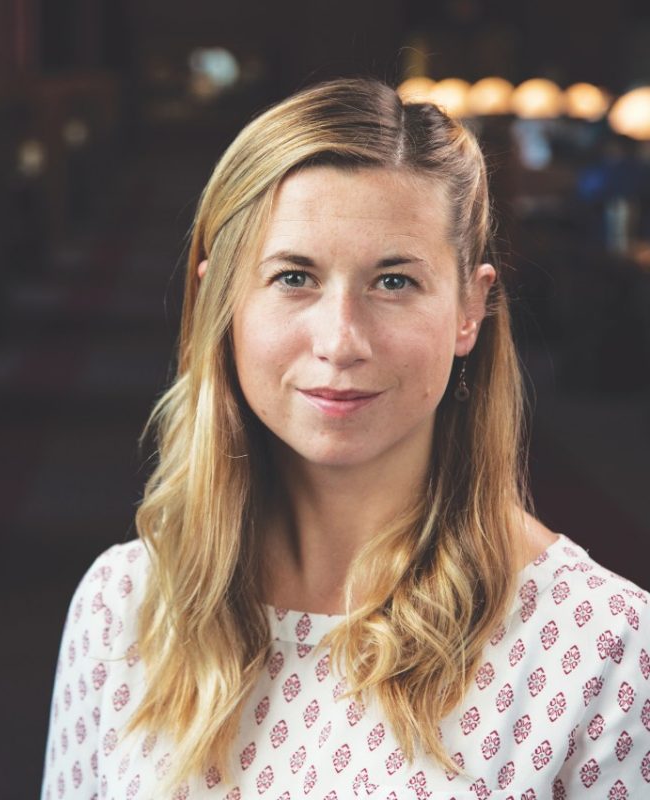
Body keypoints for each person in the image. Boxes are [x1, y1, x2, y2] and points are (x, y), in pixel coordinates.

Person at [41, 78, 650, 799]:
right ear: (218, 301)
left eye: (393, 282)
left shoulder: (602, 649)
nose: (340, 341)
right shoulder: (123, 603)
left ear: (469, 309)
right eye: (294, 277)